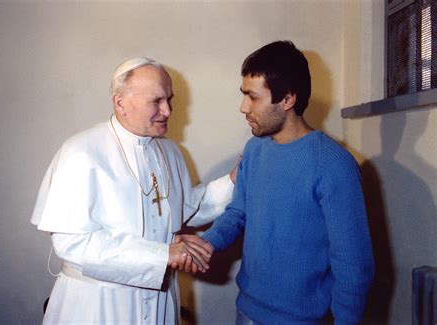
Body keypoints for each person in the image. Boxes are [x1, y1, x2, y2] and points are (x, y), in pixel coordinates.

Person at [31, 57, 236, 324]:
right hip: (98, 304)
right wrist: (164, 253)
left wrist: (234, 180)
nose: (168, 110)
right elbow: (73, 243)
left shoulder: (170, 152)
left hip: (161, 299)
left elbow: (188, 207)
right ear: (120, 103)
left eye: (169, 99)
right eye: (157, 101)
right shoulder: (81, 152)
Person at [182, 41, 375, 324]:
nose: (243, 107)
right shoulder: (254, 149)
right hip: (246, 311)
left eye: (253, 97)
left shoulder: (333, 165)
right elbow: (237, 214)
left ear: (287, 99)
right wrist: (206, 244)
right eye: (243, 95)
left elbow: (353, 267)